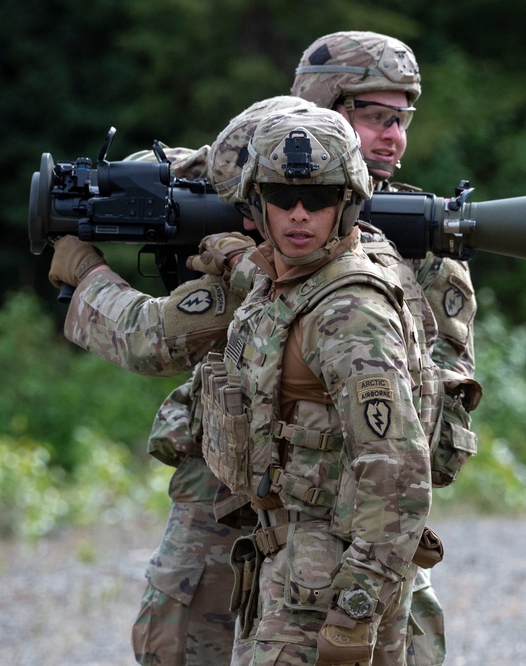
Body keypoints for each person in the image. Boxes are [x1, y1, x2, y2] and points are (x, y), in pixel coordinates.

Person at [49, 96, 314, 665]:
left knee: (184, 636)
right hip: (276, 493)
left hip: (239, 496)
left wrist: (86, 271)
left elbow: (148, 336)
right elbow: (182, 165)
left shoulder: (264, 274)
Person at [198, 104, 432, 665]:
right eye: (281, 197)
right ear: (256, 205)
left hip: (329, 582)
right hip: (291, 564)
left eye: (320, 199)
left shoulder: (351, 312)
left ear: (347, 204)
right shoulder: (290, 282)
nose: (299, 215)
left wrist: (354, 611)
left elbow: (397, 469)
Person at [290, 32, 482, 666]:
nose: (392, 136)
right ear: (320, 109)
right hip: (250, 502)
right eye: (373, 117)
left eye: (400, 119)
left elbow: (438, 427)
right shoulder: (256, 213)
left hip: (369, 508)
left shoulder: (425, 242)